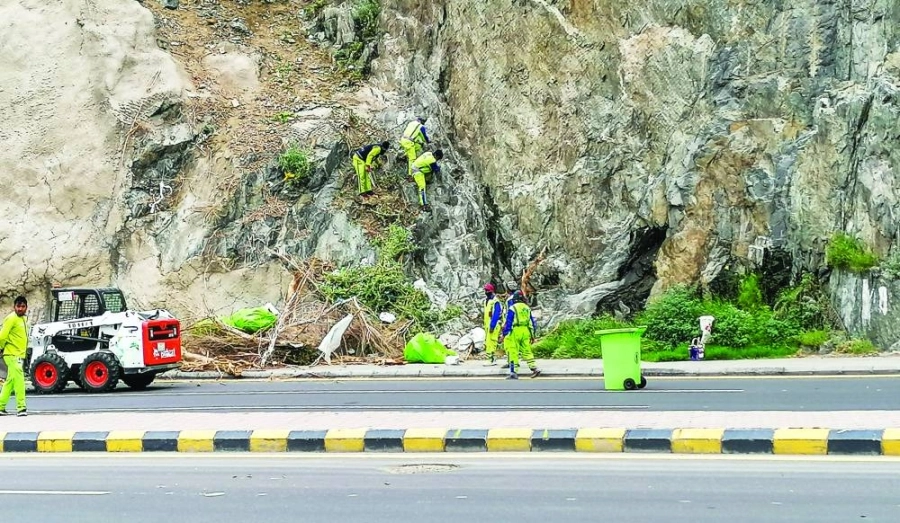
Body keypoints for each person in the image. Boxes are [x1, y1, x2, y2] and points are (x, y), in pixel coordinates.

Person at [499, 290, 540, 379]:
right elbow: (532, 323)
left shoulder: (513, 308)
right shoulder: (527, 308)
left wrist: (504, 334)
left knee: (513, 351)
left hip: (514, 331)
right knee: (527, 351)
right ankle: (534, 368)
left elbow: (508, 322)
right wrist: (533, 336)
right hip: (525, 331)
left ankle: (513, 372)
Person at [0, 296, 29, 416]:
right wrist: (1, 348)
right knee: (19, 380)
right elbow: (2, 336)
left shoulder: (23, 319)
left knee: (10, 381)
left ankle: (0, 406)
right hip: (12, 354)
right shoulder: (11, 318)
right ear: (14, 307)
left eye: (23, 307)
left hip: (19, 354)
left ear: (26, 307)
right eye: (18, 306)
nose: (20, 309)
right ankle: (21, 408)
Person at [482, 283, 504, 365]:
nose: (485, 291)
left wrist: (492, 325)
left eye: (486, 290)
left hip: (493, 325)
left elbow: (496, 314)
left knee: (492, 342)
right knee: (488, 342)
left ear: (490, 291)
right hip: (487, 324)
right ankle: (491, 358)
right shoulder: (486, 301)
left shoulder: (495, 301)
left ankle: (491, 359)